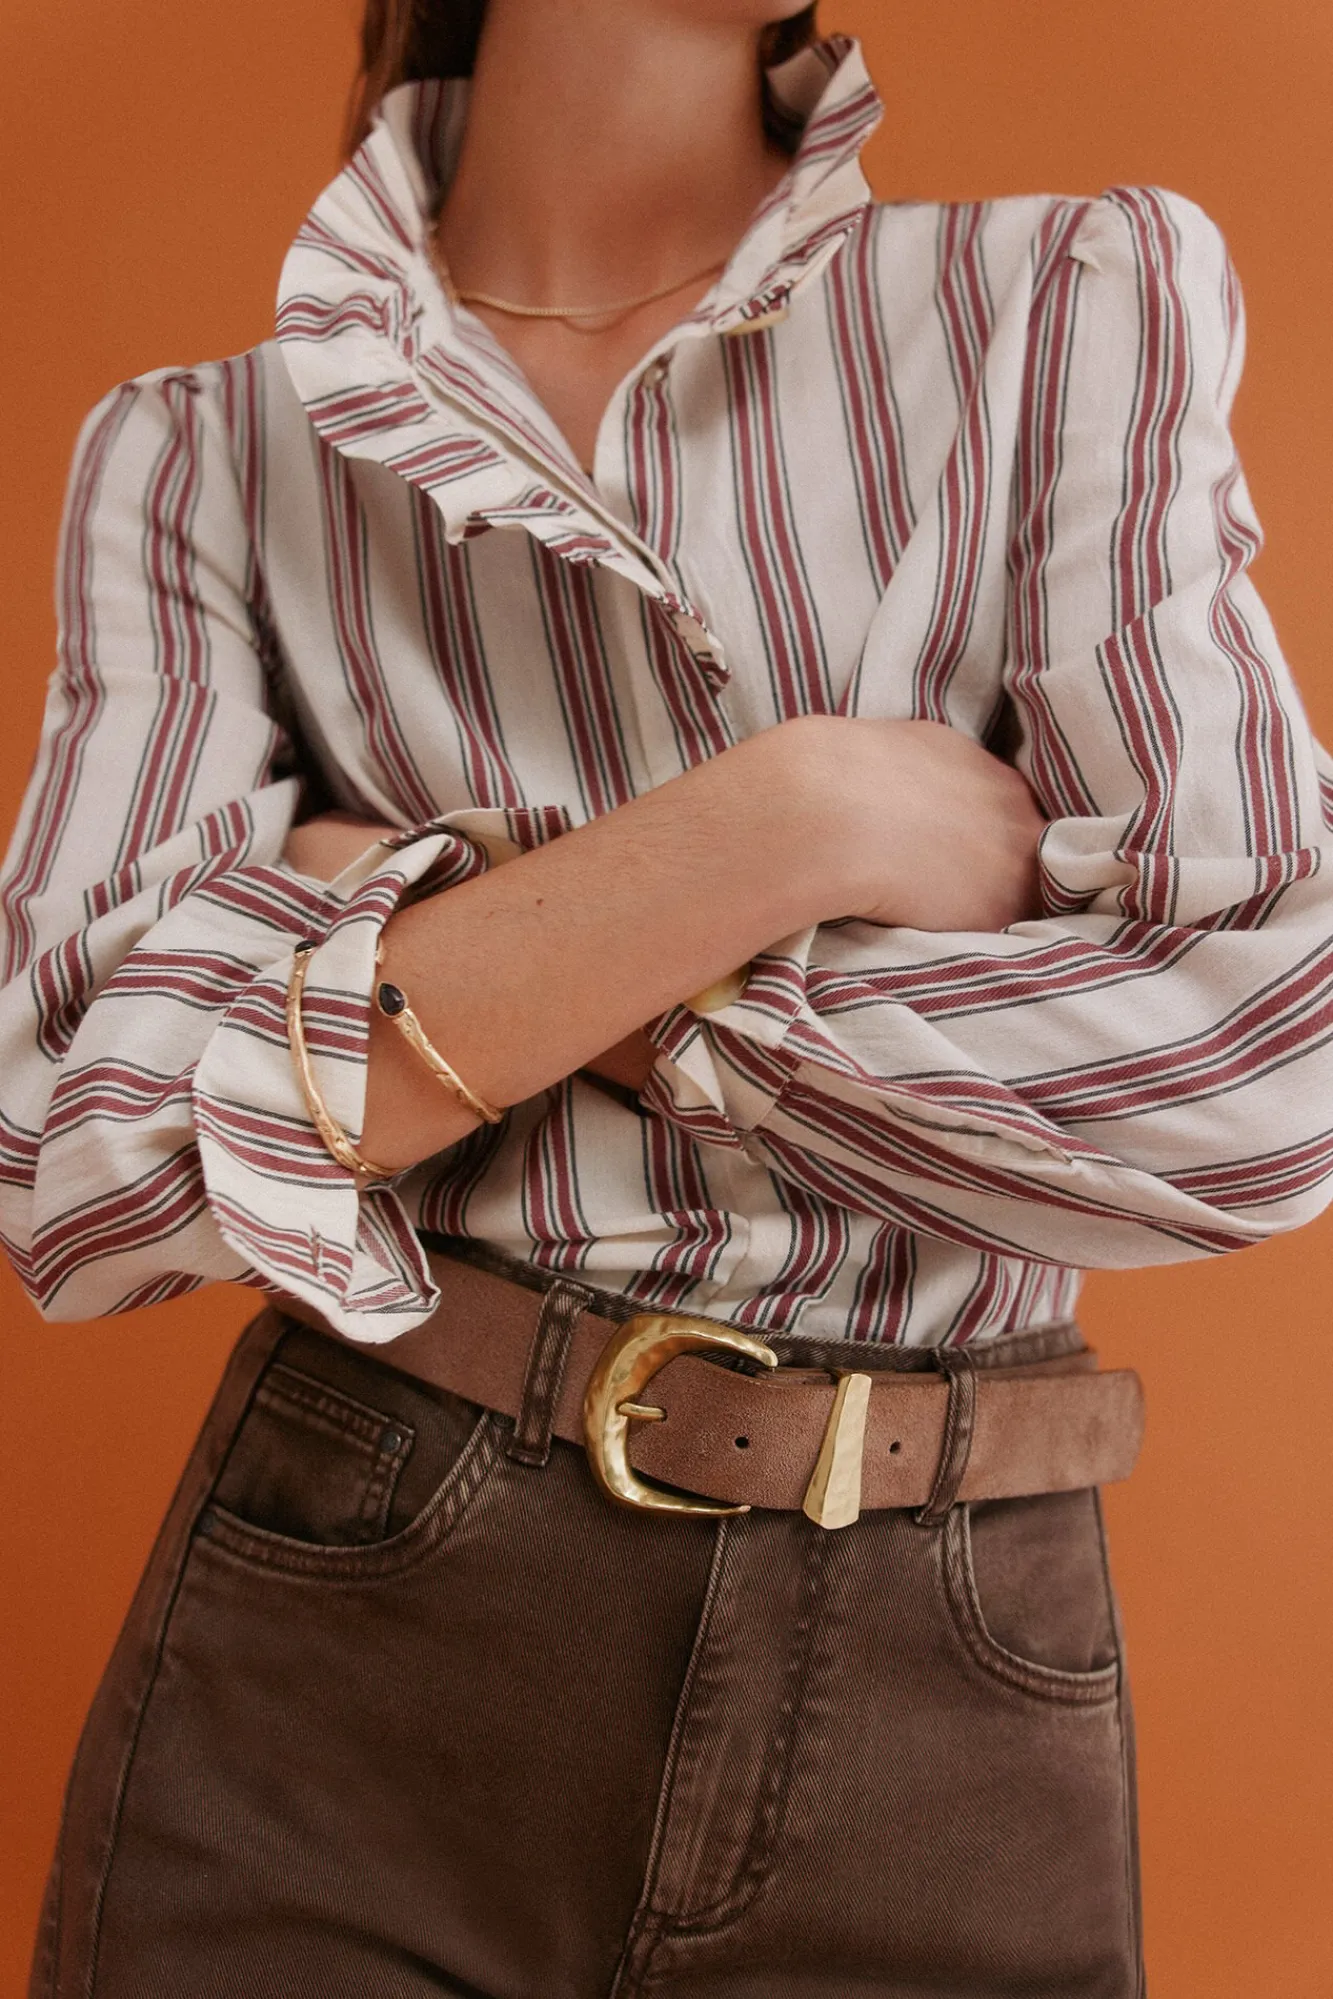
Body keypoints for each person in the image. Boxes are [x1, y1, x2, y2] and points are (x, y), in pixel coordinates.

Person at [8, 1, 1333, 1993]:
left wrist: (447, 940)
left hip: (943, 1680)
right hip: (348, 1641)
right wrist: (786, 824)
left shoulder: (1067, 303)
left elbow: (1259, 1067)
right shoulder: (198, 455)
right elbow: (71, 1149)